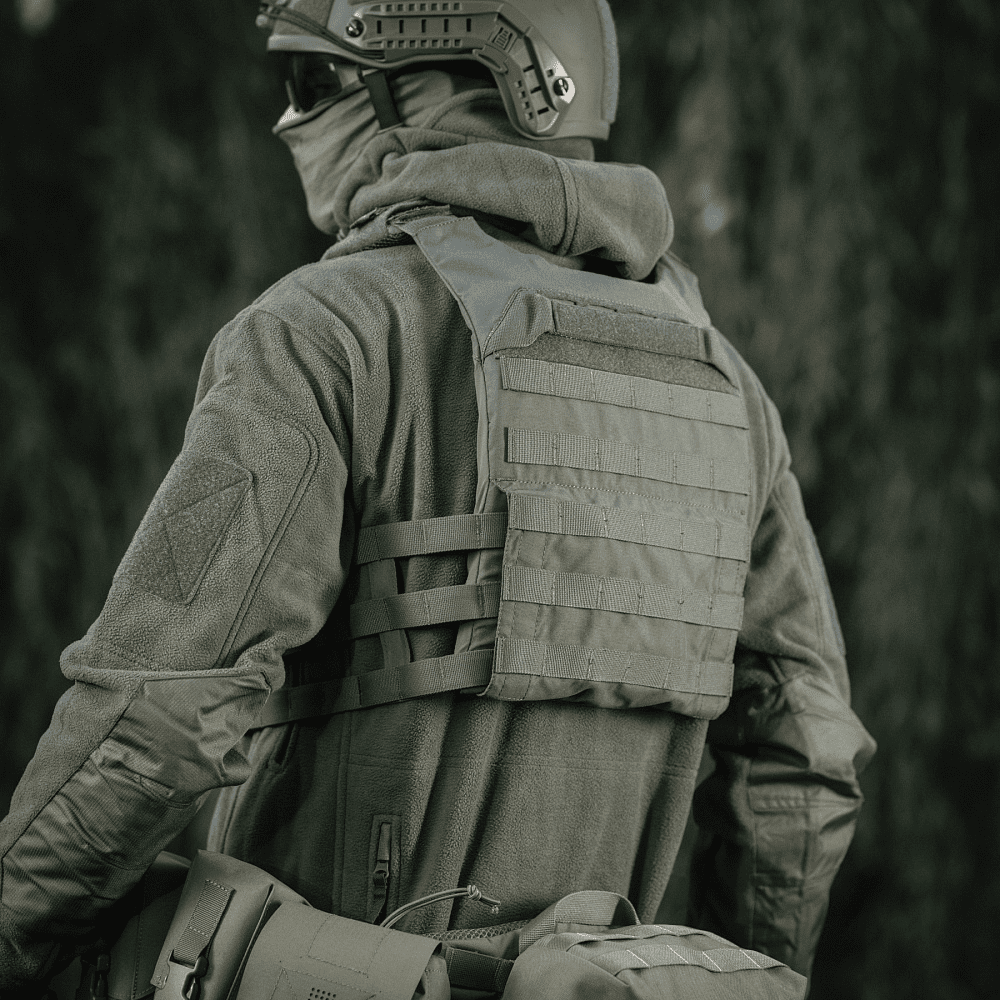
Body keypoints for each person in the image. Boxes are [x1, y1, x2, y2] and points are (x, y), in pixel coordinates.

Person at [0, 0, 876, 993]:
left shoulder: (321, 337)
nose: (287, 122)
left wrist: (18, 935)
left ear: (426, 84)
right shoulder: (729, 389)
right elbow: (804, 756)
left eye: (310, 84)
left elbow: (153, 713)